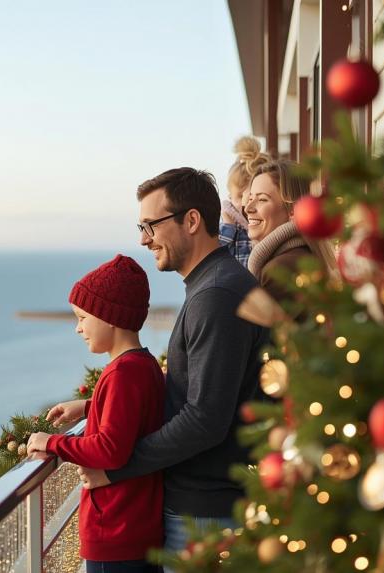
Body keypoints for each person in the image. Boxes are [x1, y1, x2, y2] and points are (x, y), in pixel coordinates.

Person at [76, 168, 270, 567]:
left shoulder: (215, 295)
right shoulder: (213, 285)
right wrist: (93, 406)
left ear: (192, 220)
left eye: (151, 225)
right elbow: (198, 388)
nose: (143, 239)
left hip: (205, 513)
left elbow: (204, 419)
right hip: (207, 506)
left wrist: (115, 469)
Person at [26, 254, 165, 573]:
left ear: (108, 316)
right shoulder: (144, 365)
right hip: (137, 529)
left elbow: (110, 449)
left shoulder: (122, 373)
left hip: (115, 531)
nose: (78, 328)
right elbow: (134, 417)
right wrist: (89, 406)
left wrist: (52, 443)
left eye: (82, 317)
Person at [243, 159, 334, 305]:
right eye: (250, 198)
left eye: (262, 199)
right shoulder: (298, 257)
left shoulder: (280, 270)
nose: (248, 208)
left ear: (293, 210)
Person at [219, 137, 271, 267]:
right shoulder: (229, 229)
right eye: (237, 196)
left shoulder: (266, 224)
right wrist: (228, 226)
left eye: (252, 196)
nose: (246, 203)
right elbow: (216, 257)